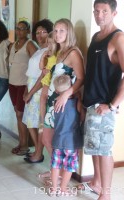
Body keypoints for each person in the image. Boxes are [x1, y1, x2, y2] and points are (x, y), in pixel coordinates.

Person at [80, 0, 124, 199]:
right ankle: (96, 182)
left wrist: (111, 105)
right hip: (91, 103)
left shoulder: (118, 38)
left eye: (104, 11)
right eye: (96, 11)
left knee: (104, 150)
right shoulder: (96, 36)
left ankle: (106, 194)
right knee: (95, 147)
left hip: (104, 105)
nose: (99, 15)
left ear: (114, 13)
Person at [41, 18, 84, 184]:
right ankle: (57, 171)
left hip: (63, 104)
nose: (58, 34)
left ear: (69, 33)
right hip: (53, 101)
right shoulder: (59, 52)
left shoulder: (73, 52)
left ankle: (60, 174)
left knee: (60, 142)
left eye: (62, 31)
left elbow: (81, 78)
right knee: (47, 139)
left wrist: (67, 94)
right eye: (56, 30)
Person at [21, 19, 54, 162]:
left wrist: (30, 92)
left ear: (50, 33)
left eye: (43, 32)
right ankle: (37, 150)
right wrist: (26, 90)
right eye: (37, 32)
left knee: (38, 123)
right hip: (31, 86)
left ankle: (38, 153)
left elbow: (44, 75)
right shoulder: (40, 50)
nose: (40, 35)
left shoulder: (49, 51)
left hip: (38, 89)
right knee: (30, 122)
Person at [48, 74, 83, 196]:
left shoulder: (55, 103)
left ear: (57, 91)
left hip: (58, 140)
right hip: (71, 143)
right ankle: (63, 188)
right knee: (68, 167)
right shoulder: (77, 102)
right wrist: (78, 95)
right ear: (70, 87)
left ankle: (53, 188)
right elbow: (81, 116)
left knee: (55, 165)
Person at [9, 21, 37, 155]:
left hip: (23, 84)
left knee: (21, 114)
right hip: (12, 84)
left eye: (22, 29)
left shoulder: (30, 44)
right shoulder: (13, 44)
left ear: (28, 30)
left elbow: (37, 64)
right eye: (17, 29)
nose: (19, 31)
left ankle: (25, 145)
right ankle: (21, 143)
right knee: (17, 113)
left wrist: (28, 86)